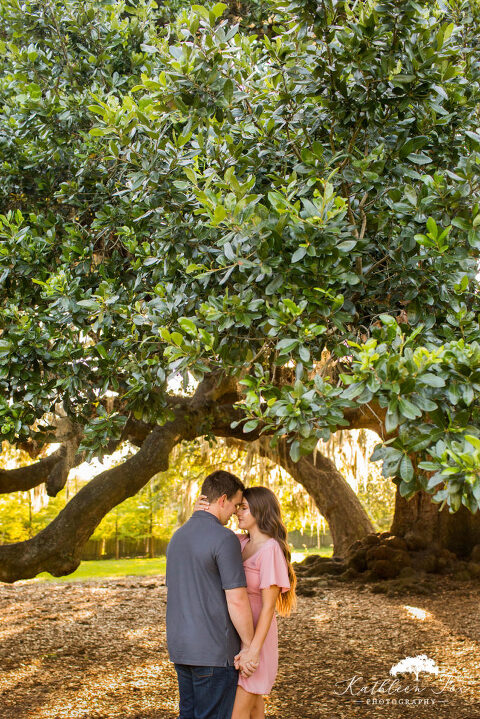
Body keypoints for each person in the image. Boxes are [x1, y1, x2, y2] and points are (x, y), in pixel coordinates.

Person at [195, 485, 297, 719]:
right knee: (254, 713)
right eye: (238, 507)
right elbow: (208, 535)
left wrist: (253, 651)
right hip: (238, 639)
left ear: (261, 511)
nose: (238, 512)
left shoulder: (270, 549)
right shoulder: (239, 543)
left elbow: (269, 607)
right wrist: (200, 511)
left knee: (237, 714)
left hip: (257, 642)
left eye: (244, 508)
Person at [166, 470, 259, 719]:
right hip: (214, 654)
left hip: (181, 650)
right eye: (235, 505)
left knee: (188, 715)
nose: (235, 513)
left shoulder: (177, 537)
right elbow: (237, 599)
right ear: (222, 500)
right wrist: (249, 646)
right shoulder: (224, 538)